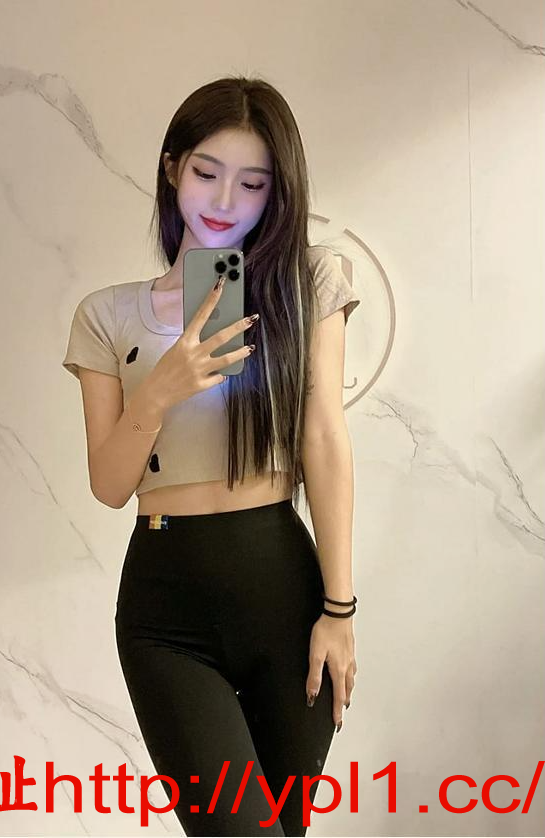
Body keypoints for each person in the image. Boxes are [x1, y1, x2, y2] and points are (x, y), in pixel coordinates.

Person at [62, 75, 360, 837]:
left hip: (285, 595)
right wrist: (160, 391)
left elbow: (324, 439)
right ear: (172, 167)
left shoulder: (307, 282)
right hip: (167, 613)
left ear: (277, 193)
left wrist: (338, 612)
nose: (225, 199)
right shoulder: (106, 314)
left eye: (252, 183)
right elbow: (109, 484)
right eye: (205, 171)